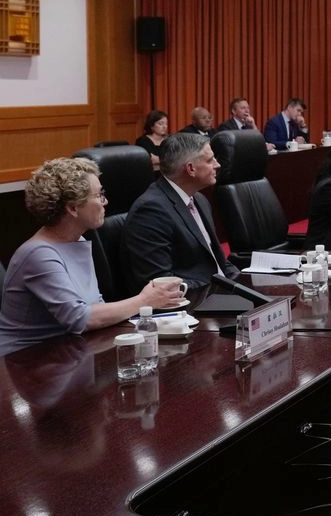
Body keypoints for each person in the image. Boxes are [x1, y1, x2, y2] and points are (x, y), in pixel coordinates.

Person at [0, 158, 183, 356]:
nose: (105, 202)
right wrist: (144, 300)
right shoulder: (38, 254)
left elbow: (95, 305)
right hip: (25, 361)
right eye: (99, 195)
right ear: (72, 208)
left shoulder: (76, 240)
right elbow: (80, 318)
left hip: (70, 351)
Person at [122, 133, 239, 288]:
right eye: (210, 160)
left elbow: (218, 260)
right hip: (196, 298)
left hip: (219, 291)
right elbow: (161, 282)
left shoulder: (200, 199)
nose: (217, 164)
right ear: (190, 169)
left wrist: (242, 283)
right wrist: (219, 289)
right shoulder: (150, 211)